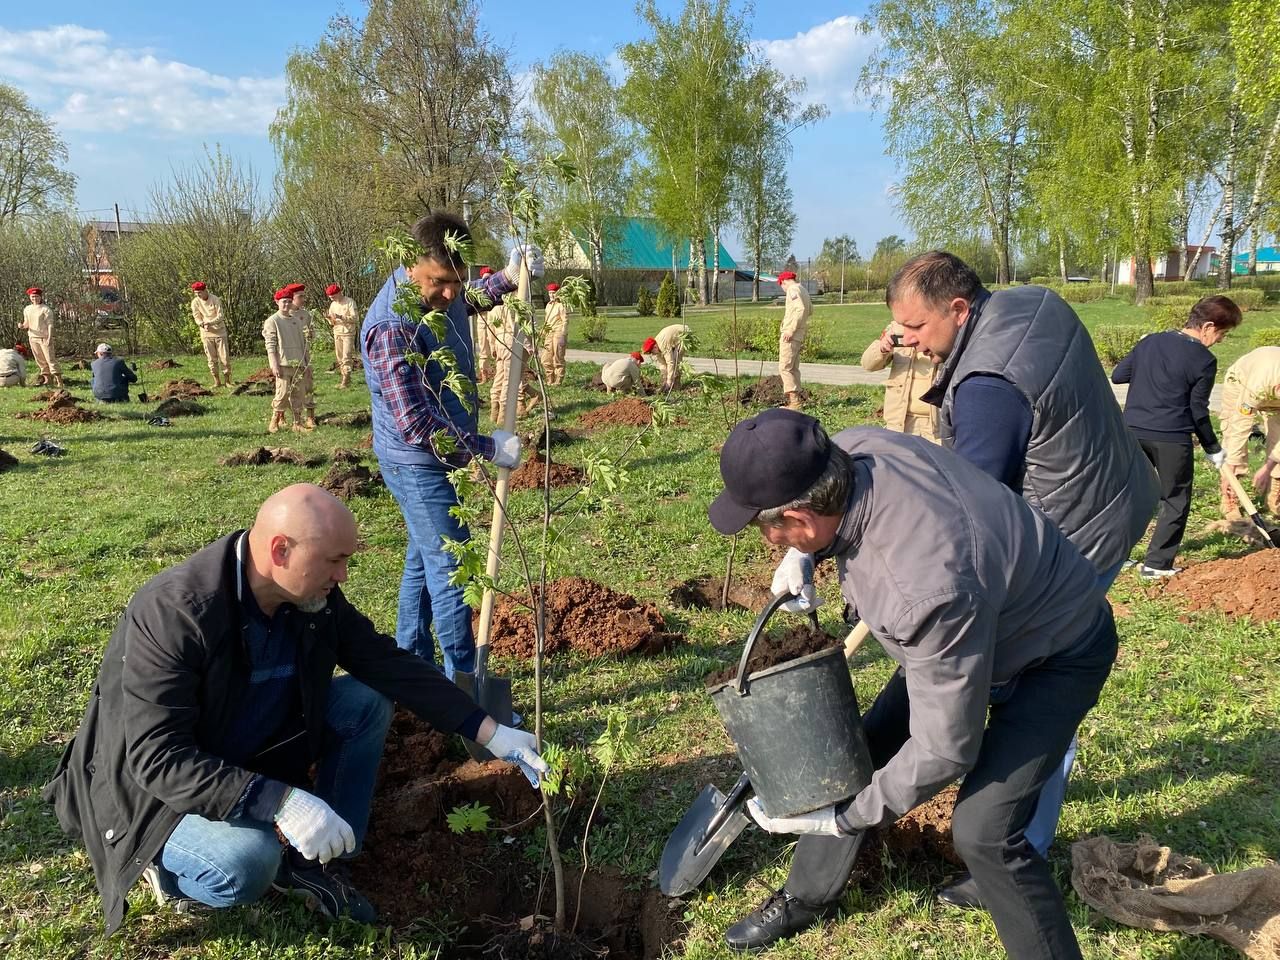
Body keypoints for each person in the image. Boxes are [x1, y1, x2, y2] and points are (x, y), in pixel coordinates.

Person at [41, 483, 546, 932]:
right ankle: (168, 874)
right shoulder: (177, 613)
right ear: (280, 550)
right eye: (334, 561)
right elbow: (157, 759)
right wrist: (280, 801)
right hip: (151, 791)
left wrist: (488, 730)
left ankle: (321, 860)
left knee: (365, 701)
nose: (343, 575)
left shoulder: (310, 598)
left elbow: (383, 661)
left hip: (239, 748)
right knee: (246, 863)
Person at [710, 410, 1117, 959]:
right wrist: (798, 556)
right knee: (852, 753)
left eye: (768, 529)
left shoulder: (921, 587)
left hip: (1056, 651)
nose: (766, 539)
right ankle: (803, 898)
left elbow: (946, 747)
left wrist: (845, 818)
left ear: (801, 517)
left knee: (985, 832)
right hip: (973, 620)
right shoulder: (853, 454)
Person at [885, 250, 1157, 910]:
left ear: (957, 308)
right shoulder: (1028, 303)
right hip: (1117, 492)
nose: (904, 342)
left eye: (914, 328)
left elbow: (971, 512)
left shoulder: (985, 387)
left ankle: (1014, 844)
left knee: (1036, 685)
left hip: (1073, 537)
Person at [360, 211, 536, 679]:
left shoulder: (442, 290)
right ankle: (462, 683)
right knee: (454, 567)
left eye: (457, 280)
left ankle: (413, 666)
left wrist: (506, 279)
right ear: (412, 265)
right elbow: (417, 423)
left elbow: (465, 301)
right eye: (439, 281)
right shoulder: (394, 326)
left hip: (441, 455)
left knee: (425, 557)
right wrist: (487, 447)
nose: (450, 293)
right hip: (416, 460)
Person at [1111, 296, 1241, 577]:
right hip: (1171, 438)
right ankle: (1156, 565)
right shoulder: (1204, 359)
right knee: (1174, 498)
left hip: (1131, 431)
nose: (1220, 340)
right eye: (1222, 333)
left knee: (1128, 495)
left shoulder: (1150, 341)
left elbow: (1118, 375)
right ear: (1207, 326)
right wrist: (1212, 447)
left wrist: (1144, 353)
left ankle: (1114, 558)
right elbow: (1198, 410)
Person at [1217, 345, 1280, 518]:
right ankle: (1230, 496)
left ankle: (1274, 496)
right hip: (1240, 384)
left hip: (1272, 391)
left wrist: (1267, 469)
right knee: (1232, 435)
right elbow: (1241, 423)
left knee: (1278, 437)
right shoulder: (1258, 386)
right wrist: (1232, 461)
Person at [859, 320, 939, 441]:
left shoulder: (945, 325)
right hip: (900, 423)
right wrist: (882, 347)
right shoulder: (898, 326)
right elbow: (867, 364)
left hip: (937, 427)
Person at [263, 287, 312, 433]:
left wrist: (307, 363)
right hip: (283, 363)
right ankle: (274, 421)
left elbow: (304, 344)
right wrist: (274, 364)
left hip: (298, 363)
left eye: (289, 302)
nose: (286, 305)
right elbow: (270, 345)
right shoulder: (273, 321)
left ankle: (297, 423)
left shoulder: (296, 321)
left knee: (298, 393)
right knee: (282, 393)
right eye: (284, 302)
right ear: (277, 302)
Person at [777, 270, 811, 410]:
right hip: (799, 334)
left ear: (783, 282)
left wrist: (790, 329)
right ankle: (796, 400)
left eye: (782, 287)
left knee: (785, 367)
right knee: (793, 367)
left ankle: (794, 402)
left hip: (791, 334)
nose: (784, 290)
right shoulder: (803, 289)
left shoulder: (792, 290)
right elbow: (810, 310)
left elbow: (801, 309)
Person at [190, 282, 233, 387]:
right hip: (206, 333)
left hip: (220, 331)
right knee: (211, 358)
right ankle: (217, 381)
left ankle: (227, 381)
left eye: (199, 292)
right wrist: (201, 324)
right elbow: (196, 316)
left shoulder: (215, 299)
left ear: (205, 290)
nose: (198, 295)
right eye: (196, 293)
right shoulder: (195, 302)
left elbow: (220, 316)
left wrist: (210, 322)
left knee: (224, 358)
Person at [18, 286, 61, 387]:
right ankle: (47, 379)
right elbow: (26, 323)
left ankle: (59, 381)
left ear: (40, 297)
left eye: (37, 296)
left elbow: (50, 325)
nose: (34, 299)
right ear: (30, 297)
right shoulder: (27, 309)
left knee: (50, 359)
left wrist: (50, 338)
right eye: (33, 297)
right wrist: (22, 326)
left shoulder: (46, 309)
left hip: (44, 337)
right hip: (33, 337)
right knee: (40, 360)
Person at [288, 285, 318, 424]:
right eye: (300, 296)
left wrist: (311, 334)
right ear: (292, 298)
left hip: (305, 354)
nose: (303, 299)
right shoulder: (285, 315)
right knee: (290, 387)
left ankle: (310, 415)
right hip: (290, 356)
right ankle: (286, 416)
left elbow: (312, 334)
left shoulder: (305, 315)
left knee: (308, 383)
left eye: (304, 296)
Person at [325, 283, 359, 389]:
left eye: (334, 297)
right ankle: (345, 378)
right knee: (339, 357)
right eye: (331, 298)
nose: (332, 299)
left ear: (339, 293)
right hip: (337, 332)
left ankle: (345, 381)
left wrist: (341, 317)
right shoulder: (333, 305)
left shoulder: (350, 302)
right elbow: (332, 322)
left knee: (346, 357)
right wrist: (329, 318)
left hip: (348, 333)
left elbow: (355, 318)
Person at [641, 323, 690, 392]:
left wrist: (669, 380)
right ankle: (670, 386)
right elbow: (663, 364)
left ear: (655, 347)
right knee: (670, 365)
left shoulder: (662, 344)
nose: (653, 354)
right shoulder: (657, 347)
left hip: (684, 333)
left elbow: (670, 362)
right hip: (672, 339)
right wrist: (664, 380)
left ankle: (677, 387)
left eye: (652, 352)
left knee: (676, 360)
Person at [541, 282, 569, 385]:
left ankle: (558, 380)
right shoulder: (548, 306)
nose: (551, 295)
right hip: (549, 333)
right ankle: (550, 379)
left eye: (554, 293)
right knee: (545, 359)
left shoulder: (561, 305)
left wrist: (563, 335)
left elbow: (565, 321)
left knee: (558, 357)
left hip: (558, 333)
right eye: (550, 293)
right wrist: (543, 332)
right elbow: (546, 320)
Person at [475, 265, 497, 384]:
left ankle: (499, 374)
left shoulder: (495, 290)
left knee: (495, 348)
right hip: (482, 321)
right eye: (484, 278)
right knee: (483, 350)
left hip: (493, 321)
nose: (486, 281)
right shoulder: (478, 290)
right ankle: (484, 375)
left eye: (488, 278)